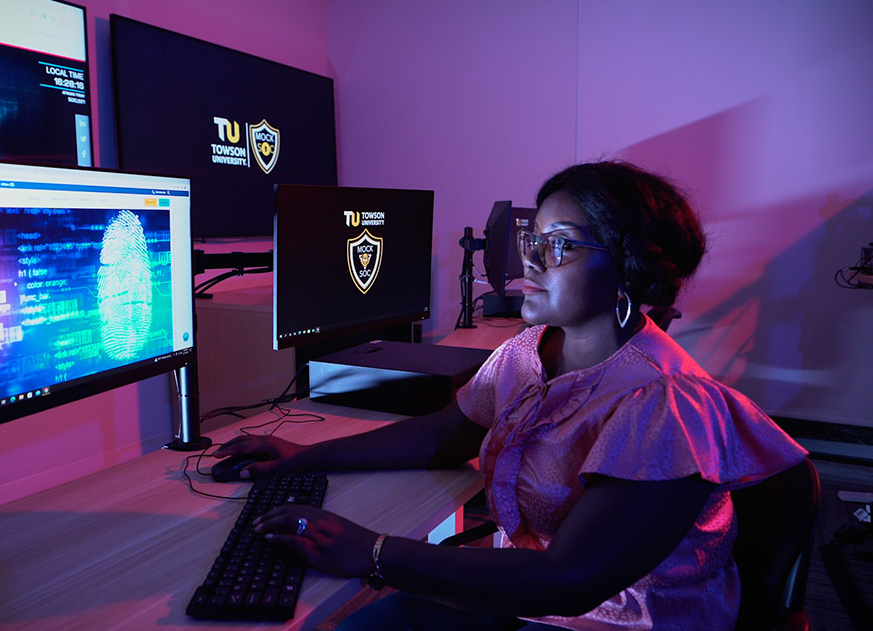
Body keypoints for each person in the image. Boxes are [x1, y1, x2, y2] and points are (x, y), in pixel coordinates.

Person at [215, 161, 807, 630]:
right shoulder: (528, 351)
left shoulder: (665, 402)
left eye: (562, 245)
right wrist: (300, 454)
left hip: (623, 617)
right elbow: (439, 435)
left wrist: (371, 552)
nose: (531, 258)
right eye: (535, 238)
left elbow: (571, 578)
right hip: (526, 591)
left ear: (629, 269)